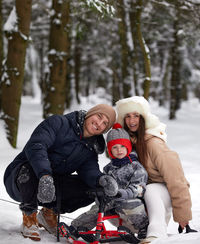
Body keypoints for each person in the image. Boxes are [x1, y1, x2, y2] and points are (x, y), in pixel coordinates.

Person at [4, 104, 118, 241]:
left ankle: (48, 213)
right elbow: (37, 146)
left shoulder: (91, 148)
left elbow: (89, 170)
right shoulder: (59, 123)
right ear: (90, 114)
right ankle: (29, 216)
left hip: (53, 186)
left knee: (93, 189)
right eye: (99, 116)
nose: (99, 123)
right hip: (20, 179)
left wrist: (101, 180)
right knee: (33, 167)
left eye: (105, 123)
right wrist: (45, 175)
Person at [115, 96, 192, 244]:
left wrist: (183, 216)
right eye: (128, 116)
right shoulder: (127, 145)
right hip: (143, 194)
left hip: (161, 194)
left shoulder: (154, 143)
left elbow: (176, 179)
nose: (132, 121)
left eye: (136, 116)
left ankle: (156, 233)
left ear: (143, 118)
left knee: (150, 189)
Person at [62, 123, 149, 241]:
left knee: (132, 204)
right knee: (96, 209)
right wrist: (100, 192)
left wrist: (124, 193)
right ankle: (75, 229)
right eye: (115, 147)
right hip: (111, 202)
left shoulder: (135, 167)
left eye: (122, 147)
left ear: (128, 147)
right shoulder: (109, 168)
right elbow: (105, 184)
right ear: (110, 150)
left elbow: (140, 188)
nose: (119, 150)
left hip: (129, 201)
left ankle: (143, 229)